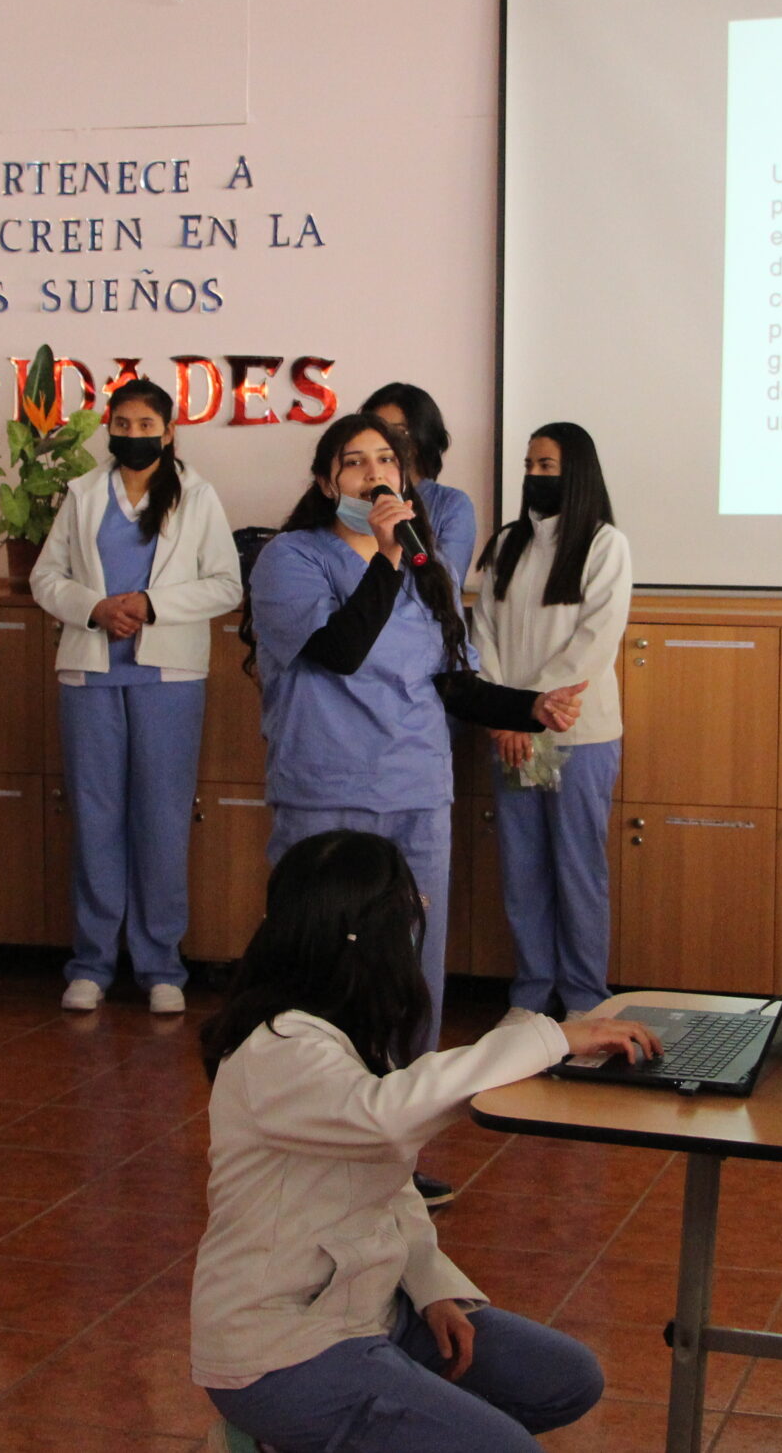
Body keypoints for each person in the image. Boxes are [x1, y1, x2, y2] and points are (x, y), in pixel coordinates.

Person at [192, 830, 656, 1452]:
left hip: (370, 1309)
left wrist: (432, 1289)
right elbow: (388, 1118)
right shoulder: (276, 1049)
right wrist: (551, 1039)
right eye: (412, 911)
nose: (419, 926)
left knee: (566, 1379)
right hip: (281, 1348)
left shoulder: (344, 1031)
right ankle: (276, 1433)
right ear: (365, 935)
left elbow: (390, 1186)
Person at [248, 414, 583, 1073]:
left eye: (386, 460)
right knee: (320, 964)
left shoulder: (430, 569)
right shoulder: (290, 558)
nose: (374, 473)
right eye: (354, 462)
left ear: (405, 479)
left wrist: (531, 706)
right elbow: (340, 650)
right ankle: (314, 1107)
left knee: (409, 965)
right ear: (326, 483)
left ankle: (402, 1115)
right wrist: (387, 558)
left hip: (414, 791)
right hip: (327, 791)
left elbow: (453, 683)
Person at [31, 379, 241, 1015]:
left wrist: (151, 604)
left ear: (169, 432)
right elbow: (45, 577)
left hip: (167, 678)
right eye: (122, 424)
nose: (133, 435)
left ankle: (160, 966)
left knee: (162, 821)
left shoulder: (198, 495)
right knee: (95, 820)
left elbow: (226, 584)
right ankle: (91, 964)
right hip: (91, 674)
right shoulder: (83, 494)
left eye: (146, 425)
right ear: (109, 429)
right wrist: (94, 607)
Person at [470, 425, 633, 1024]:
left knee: (577, 868)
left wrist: (530, 711)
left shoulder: (605, 544)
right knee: (524, 868)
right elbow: (482, 633)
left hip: (575, 736)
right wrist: (506, 713)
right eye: (530, 464)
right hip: (513, 737)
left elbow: (595, 640)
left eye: (547, 465)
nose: (535, 475)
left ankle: (585, 1000)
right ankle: (531, 995)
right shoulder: (508, 543)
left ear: (577, 472)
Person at [359, 385, 476, 579]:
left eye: (398, 432)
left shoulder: (450, 504)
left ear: (423, 436)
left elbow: (447, 584)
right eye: (376, 431)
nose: (385, 441)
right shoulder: (352, 499)